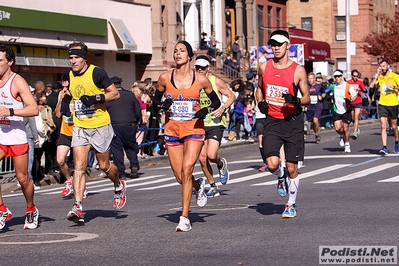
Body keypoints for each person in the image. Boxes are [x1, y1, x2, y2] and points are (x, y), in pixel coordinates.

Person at [154, 41, 220, 231]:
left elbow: (215, 101)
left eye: (182, 51)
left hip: (194, 129)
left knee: (187, 168)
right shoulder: (165, 78)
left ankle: (184, 218)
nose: (177, 54)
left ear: (190, 56)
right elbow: (155, 100)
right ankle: (198, 185)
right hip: (172, 129)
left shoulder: (200, 79)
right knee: (179, 176)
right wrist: (162, 105)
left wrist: (205, 111)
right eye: (175, 51)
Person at [65, 41, 126, 224]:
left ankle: (118, 184)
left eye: (76, 57)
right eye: (70, 58)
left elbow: (115, 94)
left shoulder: (97, 72)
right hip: (81, 126)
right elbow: (71, 93)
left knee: (103, 165)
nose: (73, 61)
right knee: (79, 167)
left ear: (84, 58)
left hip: (100, 125)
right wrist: (65, 102)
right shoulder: (69, 74)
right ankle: (77, 206)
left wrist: (95, 98)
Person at [255, 30, 310, 218]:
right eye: (273, 44)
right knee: (272, 164)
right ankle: (280, 176)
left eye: (279, 44)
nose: (276, 48)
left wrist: (295, 101)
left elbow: (307, 98)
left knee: (292, 168)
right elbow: (259, 89)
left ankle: (290, 205)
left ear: (288, 45)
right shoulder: (263, 67)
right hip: (272, 120)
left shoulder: (298, 70)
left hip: (292, 121)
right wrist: (260, 103)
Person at [0, 44, 40, 229]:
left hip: (16, 136)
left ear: (9, 62)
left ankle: (31, 209)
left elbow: (34, 109)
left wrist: (9, 110)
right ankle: (2, 210)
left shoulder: (17, 82)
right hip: (0, 136)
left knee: (23, 179)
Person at [195, 55, 236, 197]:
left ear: (208, 68)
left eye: (202, 67)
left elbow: (232, 96)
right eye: (197, 67)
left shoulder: (215, 81)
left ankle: (220, 163)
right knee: (202, 158)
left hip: (214, 123)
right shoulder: (192, 82)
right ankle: (212, 185)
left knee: (211, 155)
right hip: (199, 123)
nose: (200, 70)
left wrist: (223, 108)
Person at [55, 76, 88, 198]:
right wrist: (61, 100)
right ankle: (69, 180)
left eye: (67, 87)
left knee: (78, 164)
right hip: (65, 131)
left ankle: (81, 186)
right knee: (60, 160)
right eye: (62, 86)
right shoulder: (61, 94)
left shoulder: (79, 94)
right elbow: (58, 114)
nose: (64, 89)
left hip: (78, 132)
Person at [106, 76, 141, 179]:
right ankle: (134, 165)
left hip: (115, 125)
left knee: (117, 150)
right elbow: (137, 110)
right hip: (130, 125)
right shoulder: (130, 95)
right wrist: (137, 122)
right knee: (130, 146)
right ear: (120, 84)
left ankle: (120, 172)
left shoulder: (108, 97)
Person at [369, 59, 399, 154]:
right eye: (381, 66)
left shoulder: (394, 76)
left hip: (393, 103)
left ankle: (397, 142)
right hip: (382, 104)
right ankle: (384, 147)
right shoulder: (380, 77)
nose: (382, 68)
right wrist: (376, 75)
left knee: (394, 126)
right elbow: (371, 86)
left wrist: (393, 87)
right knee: (383, 125)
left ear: (388, 66)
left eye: (384, 66)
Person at [331, 69, 357, 153]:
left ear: (342, 76)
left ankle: (347, 144)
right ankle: (341, 135)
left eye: (338, 76)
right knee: (338, 128)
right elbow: (327, 92)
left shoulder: (348, 85)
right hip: (336, 109)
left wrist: (351, 99)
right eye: (335, 77)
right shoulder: (333, 86)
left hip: (346, 109)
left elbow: (354, 95)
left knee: (346, 128)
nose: (337, 78)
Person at [347, 69, 366, 139]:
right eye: (354, 76)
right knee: (352, 117)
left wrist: (360, 89)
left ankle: (355, 132)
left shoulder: (360, 82)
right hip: (351, 101)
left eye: (357, 76)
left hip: (358, 101)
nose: (355, 77)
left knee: (356, 116)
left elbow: (365, 90)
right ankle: (357, 128)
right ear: (352, 76)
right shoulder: (348, 82)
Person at [306, 72, 324, 143]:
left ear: (314, 79)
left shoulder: (318, 86)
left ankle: (316, 135)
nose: (310, 80)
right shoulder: (306, 86)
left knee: (315, 120)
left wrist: (321, 96)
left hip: (318, 105)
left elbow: (324, 92)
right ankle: (316, 134)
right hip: (310, 106)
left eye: (311, 78)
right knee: (313, 122)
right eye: (309, 78)